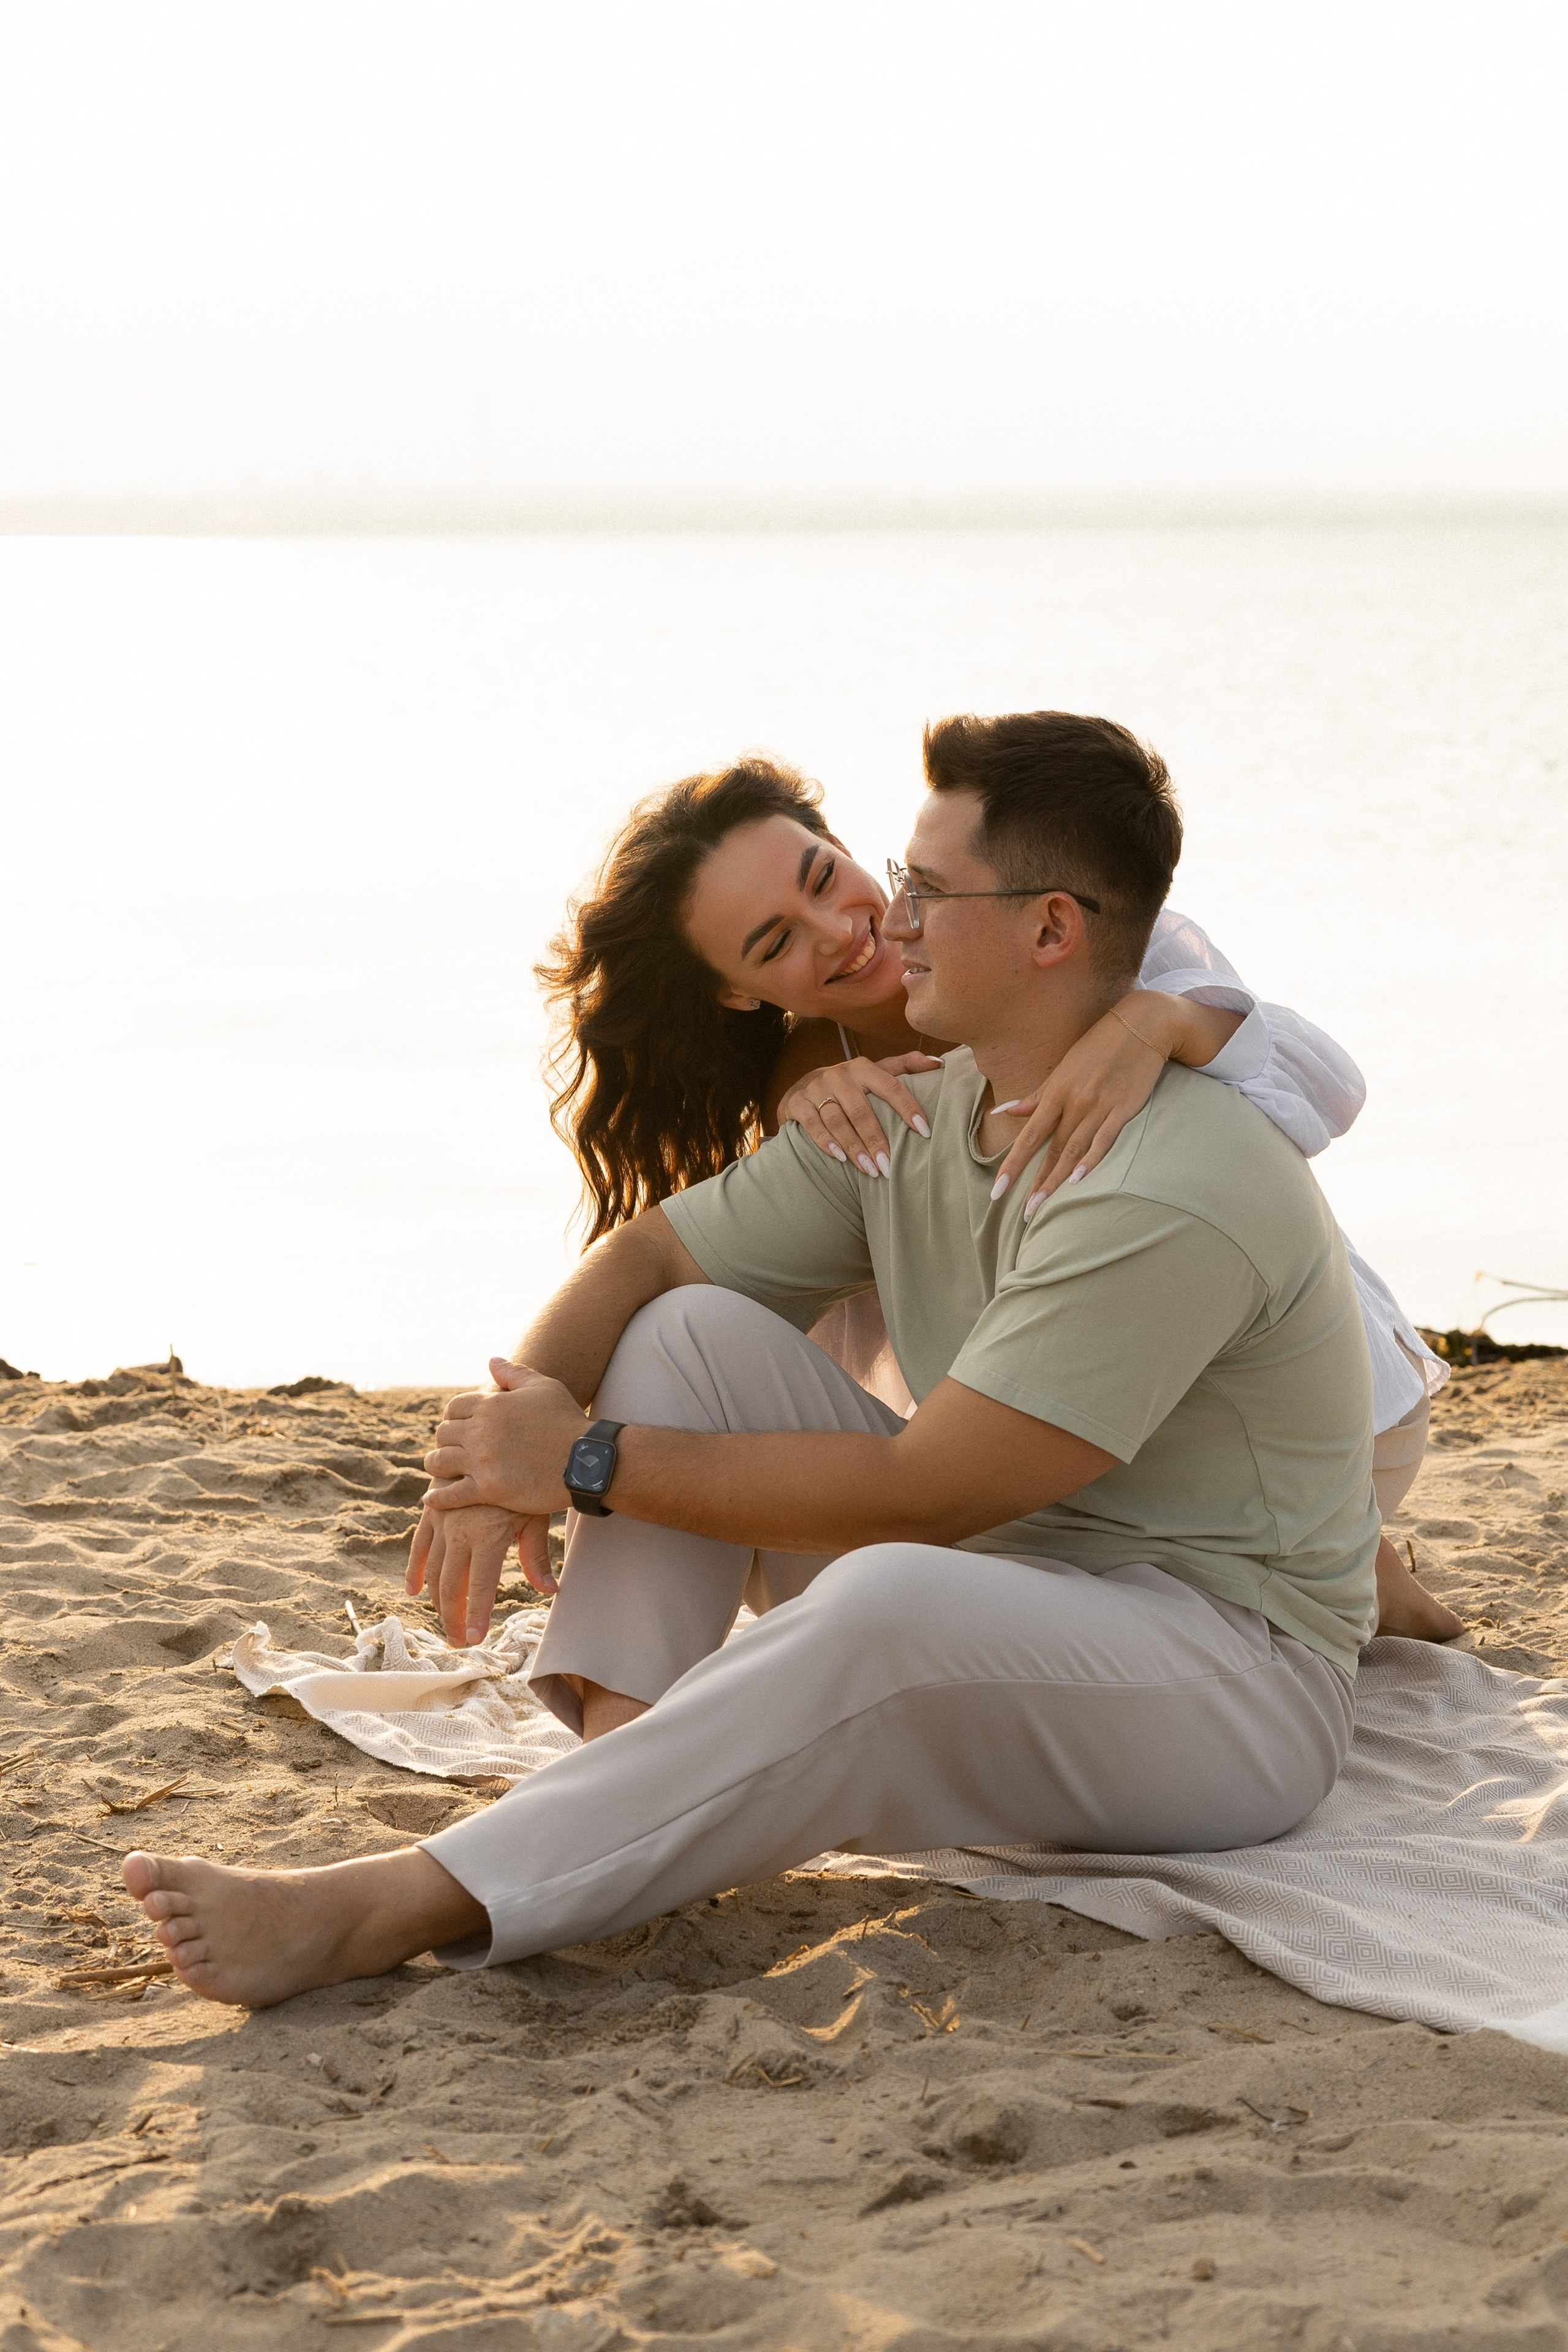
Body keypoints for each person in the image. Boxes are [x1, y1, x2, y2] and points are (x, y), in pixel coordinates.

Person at [128, 709, 1381, 2008]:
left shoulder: (1171, 1178)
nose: (890, 922)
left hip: (1226, 1682)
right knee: (690, 1337)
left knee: (887, 1599)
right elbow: (648, 1259)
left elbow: (928, 1495)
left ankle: (400, 1902)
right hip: (1007, 1579)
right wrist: (508, 1447)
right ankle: (618, 1780)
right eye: (891, 880)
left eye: (925, 891)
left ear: (1050, 929)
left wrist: (584, 1460)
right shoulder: (920, 1109)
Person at [538, 754, 1455, 1634]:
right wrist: (513, 1429)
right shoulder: (824, 1086)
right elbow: (716, 1273)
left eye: (823, 878)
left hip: (1315, 1423)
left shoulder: (1074, 941)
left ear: (844, 846)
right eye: (776, 942)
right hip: (1064, 1429)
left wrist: (1160, 1020)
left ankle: (1367, 1570)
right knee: (705, 1336)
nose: (839, 931)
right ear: (737, 995)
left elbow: (1325, 1091)